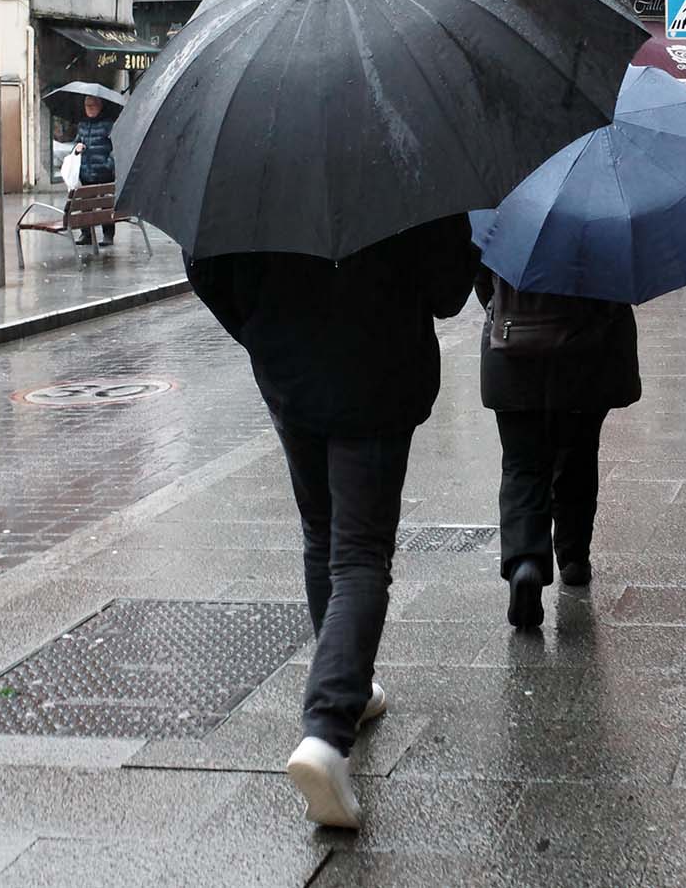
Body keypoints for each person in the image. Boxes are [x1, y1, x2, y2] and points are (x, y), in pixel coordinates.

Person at [185, 216, 478, 830]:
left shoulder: (259, 153)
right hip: (378, 371)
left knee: (322, 534)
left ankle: (352, 683)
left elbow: (205, 264)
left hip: (291, 371)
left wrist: (262, 329)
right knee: (361, 554)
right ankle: (326, 729)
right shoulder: (409, 157)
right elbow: (450, 291)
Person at [474, 267, 640, 629]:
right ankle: (574, 555)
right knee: (579, 451)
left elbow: (481, 277)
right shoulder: (606, 215)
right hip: (587, 354)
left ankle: (525, 563)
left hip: (512, 348)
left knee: (522, 464)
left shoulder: (502, 213)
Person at [74, 95, 116, 246]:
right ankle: (86, 234)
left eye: (93, 105)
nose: (90, 108)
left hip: (103, 171)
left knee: (106, 204)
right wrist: (77, 148)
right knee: (86, 204)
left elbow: (116, 147)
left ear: (100, 106)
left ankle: (108, 235)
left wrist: (108, 164)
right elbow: (77, 142)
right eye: (87, 105)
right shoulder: (82, 125)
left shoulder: (108, 125)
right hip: (86, 171)